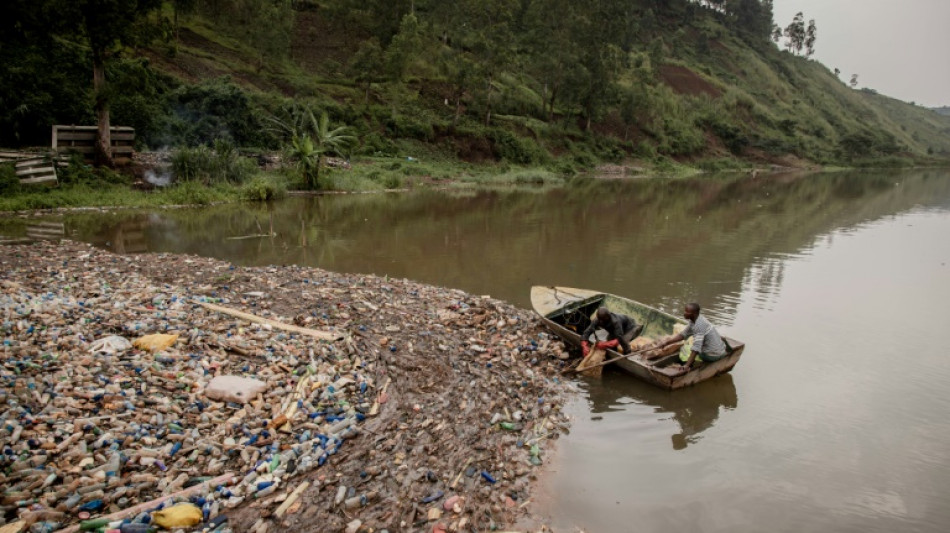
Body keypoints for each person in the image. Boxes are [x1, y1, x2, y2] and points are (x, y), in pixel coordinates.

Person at [653, 302, 728, 371]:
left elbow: (696, 348)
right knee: (689, 342)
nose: (684, 313)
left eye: (687, 312)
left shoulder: (699, 326)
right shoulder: (695, 320)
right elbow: (683, 334)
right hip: (719, 350)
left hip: (713, 355)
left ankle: (691, 364)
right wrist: (666, 343)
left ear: (694, 314)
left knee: (686, 348)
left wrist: (687, 365)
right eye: (685, 311)